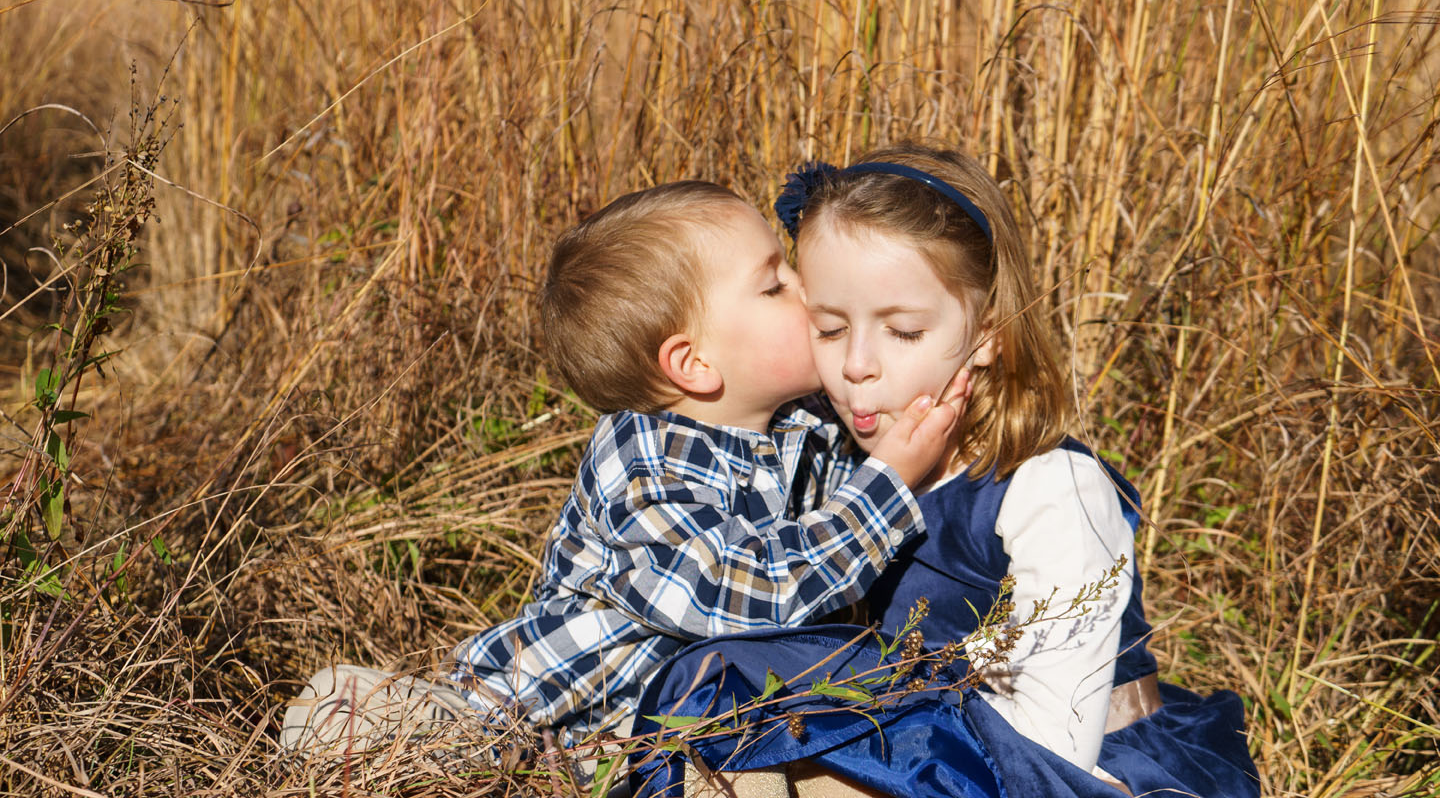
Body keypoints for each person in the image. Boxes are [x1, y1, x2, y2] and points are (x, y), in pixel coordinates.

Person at [630, 145, 1260, 798]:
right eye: (829, 328)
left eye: (902, 332)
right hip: (919, 735)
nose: (857, 365)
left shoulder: (1052, 488)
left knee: (822, 753)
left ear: (987, 333)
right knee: (727, 707)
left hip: (1066, 762)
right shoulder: (845, 465)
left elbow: (1052, 744)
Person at [279, 180, 967, 760]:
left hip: (664, 733)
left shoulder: (806, 424)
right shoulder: (645, 458)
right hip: (534, 718)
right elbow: (736, 595)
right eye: (773, 284)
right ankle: (369, 712)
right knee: (371, 727)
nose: (804, 288)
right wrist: (886, 484)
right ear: (694, 364)